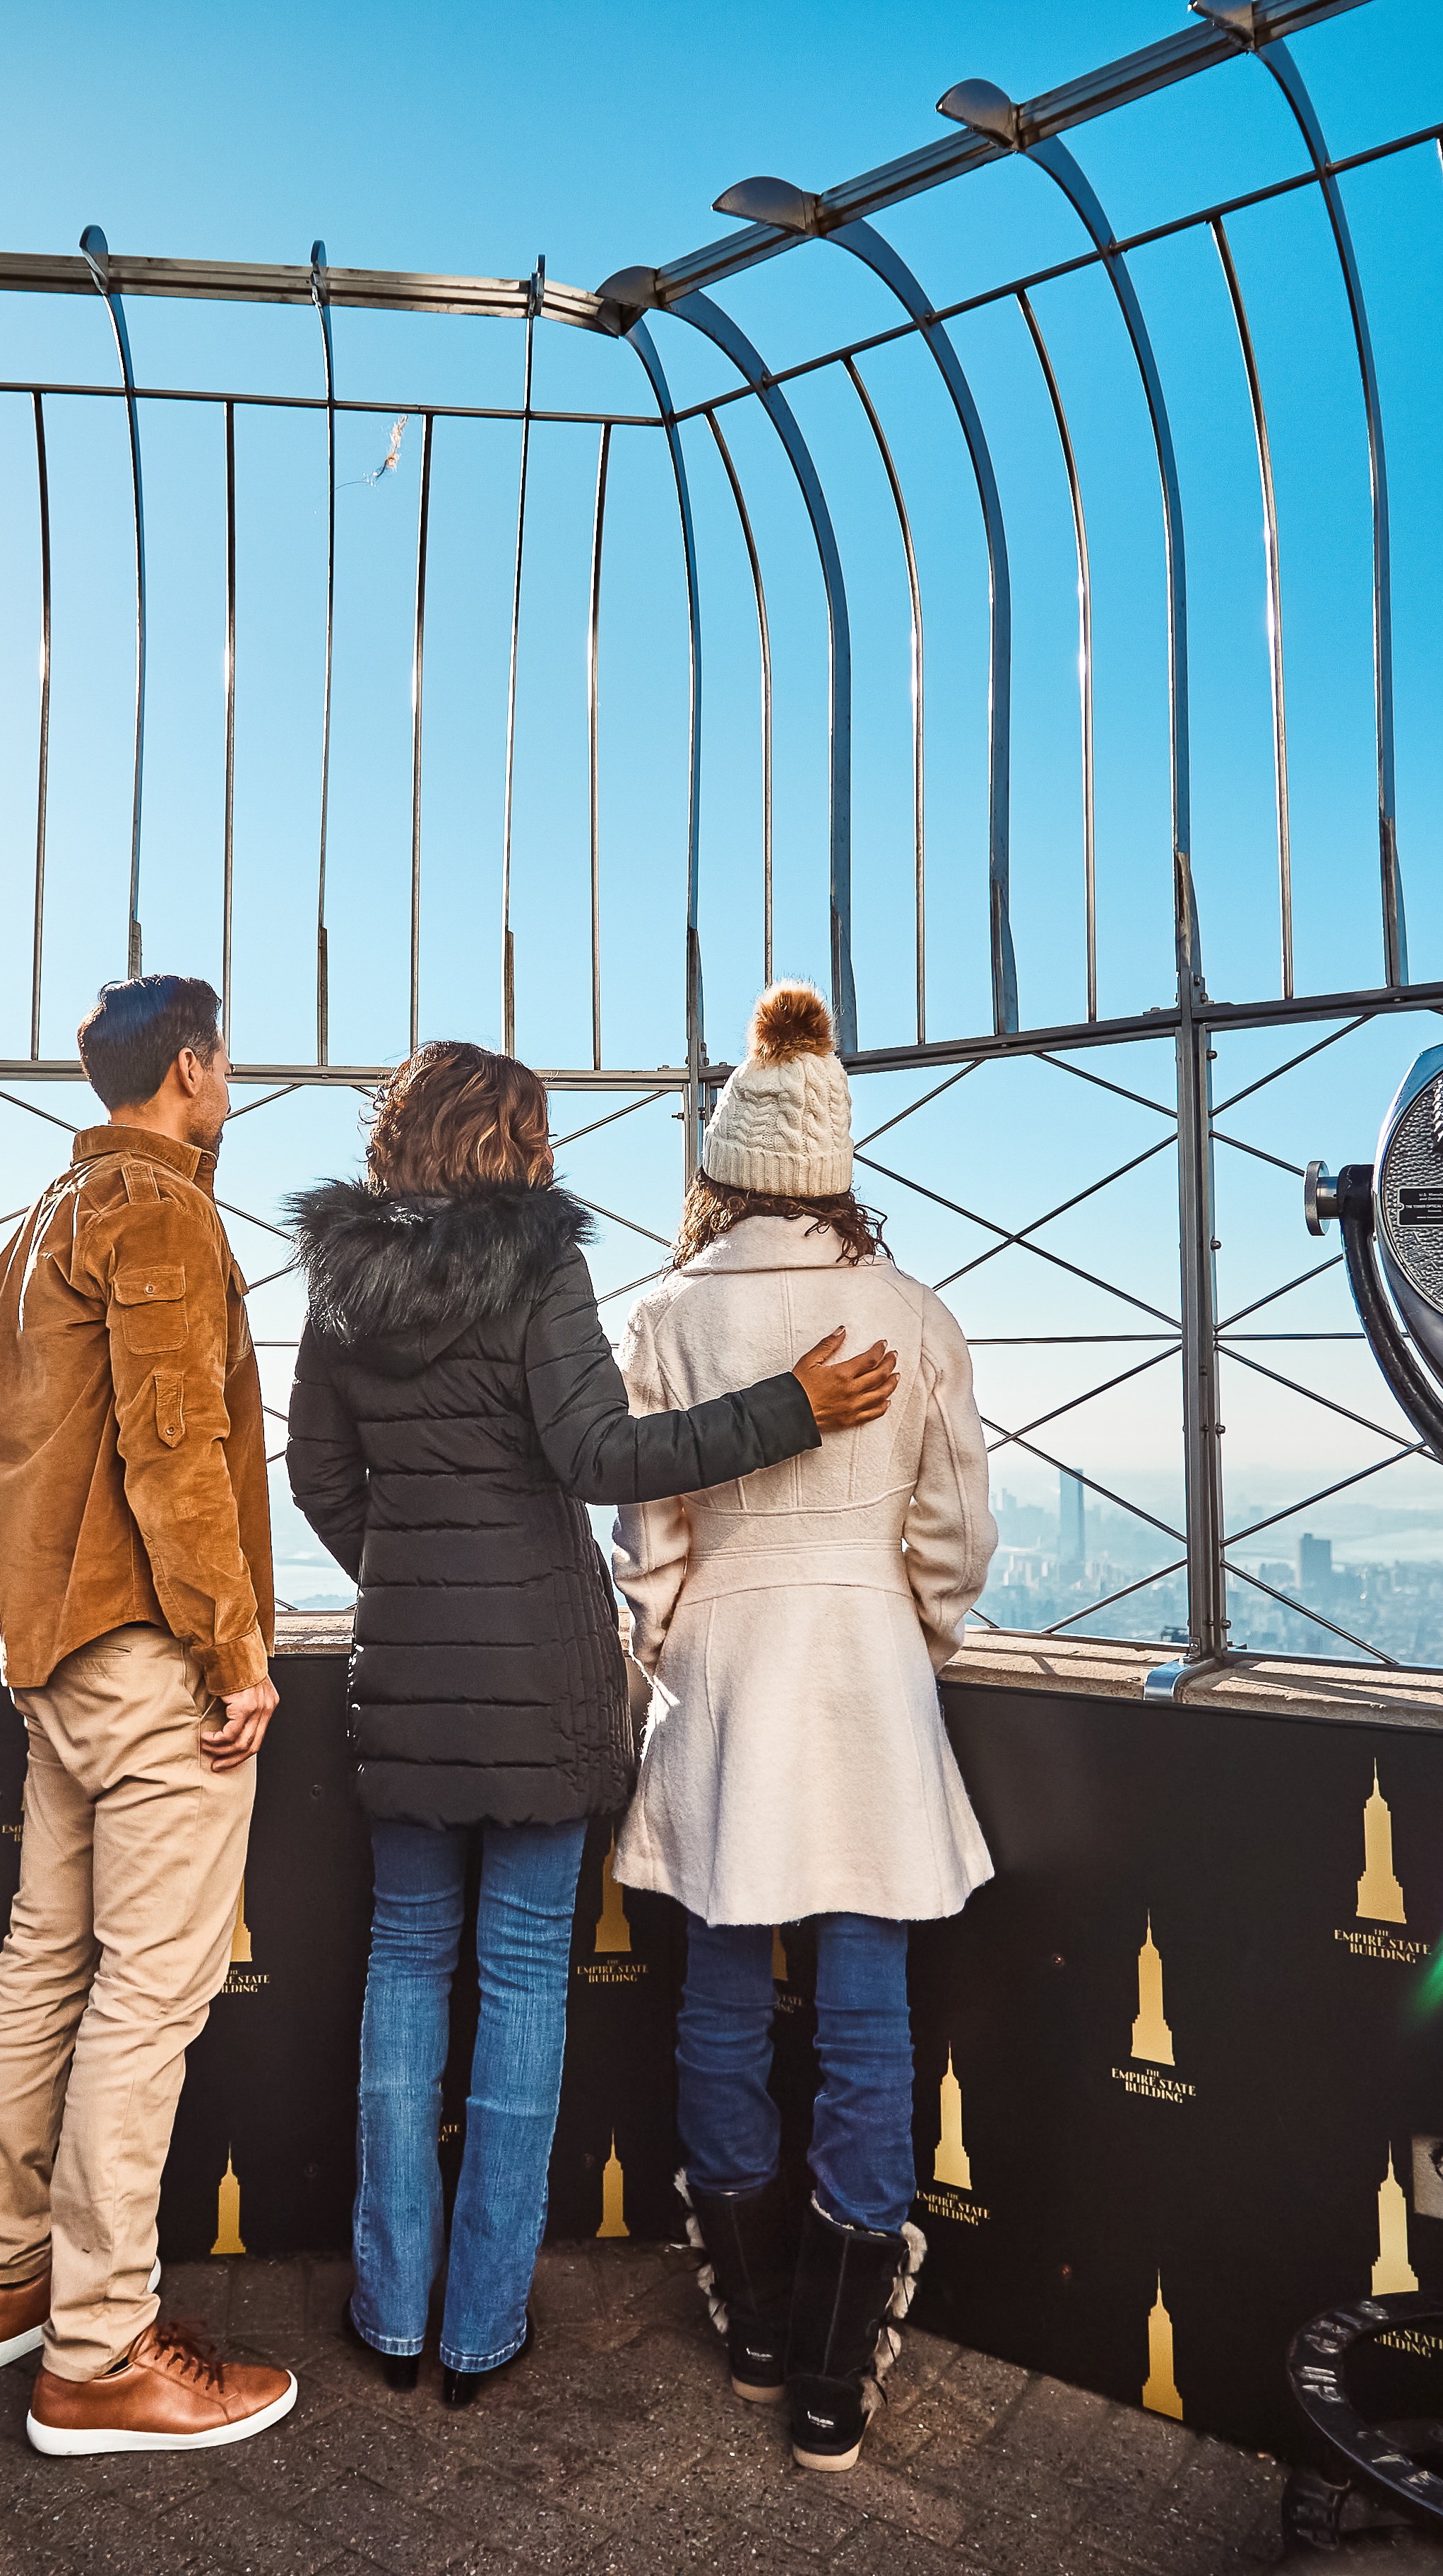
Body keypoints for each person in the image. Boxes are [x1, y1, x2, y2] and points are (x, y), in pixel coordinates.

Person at [283, 1042, 898, 2410]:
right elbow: (604, 1457)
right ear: (508, 1142)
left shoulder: (341, 1281)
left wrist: (406, 1570)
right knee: (521, 1979)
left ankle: (391, 2313)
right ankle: (481, 2328)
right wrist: (792, 1410)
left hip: (408, 1670)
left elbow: (318, 1472)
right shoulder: (539, 1264)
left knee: (404, 1969)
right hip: (539, 1675)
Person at [608, 982, 996, 2474]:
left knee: (718, 2001)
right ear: (836, 1163)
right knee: (866, 2017)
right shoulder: (914, 1313)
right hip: (869, 1673)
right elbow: (955, 1535)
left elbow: (650, 1538)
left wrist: (674, 1651)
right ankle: (837, 2374)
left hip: (722, 1670)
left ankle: (758, 2327)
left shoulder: (663, 1314)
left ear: (723, 1162)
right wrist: (907, 1639)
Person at [0, 974, 300, 2456]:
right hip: (153, 1653)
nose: (232, 1084)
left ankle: (1, 2283)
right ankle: (96, 2355)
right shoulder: (159, 1215)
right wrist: (234, 1649)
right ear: (194, 1071)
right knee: (148, 2001)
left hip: (56, 1656)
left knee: (45, 1964)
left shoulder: (41, 1221)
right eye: (226, 1064)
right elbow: (174, 1449)